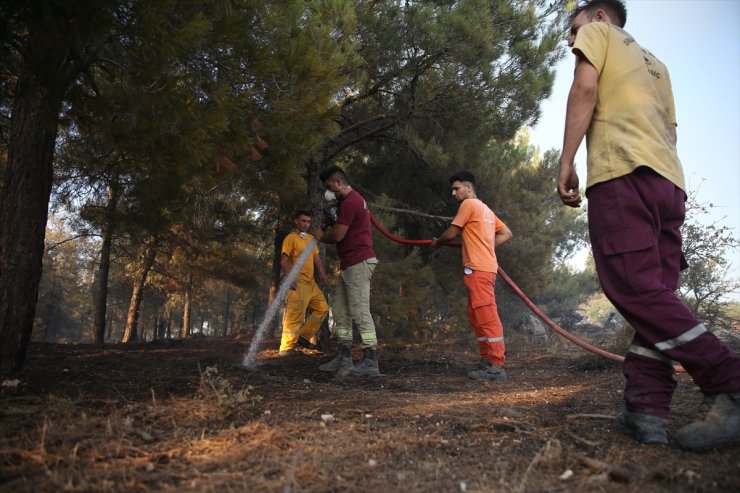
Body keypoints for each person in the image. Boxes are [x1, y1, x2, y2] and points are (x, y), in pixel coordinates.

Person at [559, 0, 740, 449]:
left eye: (572, 27)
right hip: (668, 183)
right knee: (654, 299)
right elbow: (671, 132)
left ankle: (730, 382)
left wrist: (566, 162)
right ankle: (646, 411)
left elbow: (584, 90)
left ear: (599, 17)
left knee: (634, 288)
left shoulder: (598, 35)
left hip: (623, 175)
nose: (570, 39)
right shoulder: (657, 65)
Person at [431, 171, 512, 381]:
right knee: (476, 315)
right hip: (481, 268)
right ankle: (487, 359)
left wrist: (437, 243)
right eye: (453, 189)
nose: (453, 193)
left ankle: (497, 365)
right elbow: (506, 233)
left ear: (469, 188)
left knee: (486, 315)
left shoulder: (468, 205)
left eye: (456, 188)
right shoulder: (486, 209)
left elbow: (451, 233)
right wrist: (486, 247)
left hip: (479, 269)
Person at [313, 165, 380, 378]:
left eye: (329, 187)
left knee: (360, 310)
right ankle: (344, 357)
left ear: (339, 183)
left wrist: (321, 236)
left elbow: (339, 235)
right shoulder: (345, 203)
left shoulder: (352, 201)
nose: (328, 192)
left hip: (359, 262)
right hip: (349, 263)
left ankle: (370, 360)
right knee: (341, 311)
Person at [278, 210, 329, 355]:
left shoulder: (311, 239)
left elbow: (317, 259)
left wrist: (322, 274)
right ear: (296, 221)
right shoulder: (290, 238)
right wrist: (290, 279)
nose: (306, 224)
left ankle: (304, 337)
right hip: (298, 283)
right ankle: (286, 349)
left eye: (308, 221)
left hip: (311, 284)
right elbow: (283, 261)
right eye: (303, 221)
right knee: (295, 317)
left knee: (323, 308)